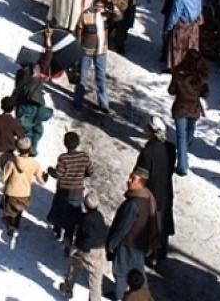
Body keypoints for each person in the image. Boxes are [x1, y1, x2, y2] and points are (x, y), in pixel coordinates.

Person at [106, 169, 157, 300]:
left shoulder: (134, 204)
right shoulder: (148, 198)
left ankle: (120, 296)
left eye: (133, 179)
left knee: (120, 271)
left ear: (141, 183)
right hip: (140, 243)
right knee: (138, 272)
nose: (128, 180)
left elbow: (123, 228)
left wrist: (111, 244)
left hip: (127, 243)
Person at [136, 114, 175, 265]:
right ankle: (161, 252)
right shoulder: (171, 148)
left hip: (151, 194)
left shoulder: (148, 152)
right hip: (166, 192)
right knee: (163, 223)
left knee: (152, 225)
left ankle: (151, 255)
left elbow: (141, 175)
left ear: (152, 132)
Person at [168, 48, 209, 176]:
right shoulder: (202, 76)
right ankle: (183, 154)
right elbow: (205, 93)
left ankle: (182, 166)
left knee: (181, 136)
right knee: (188, 134)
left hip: (180, 107)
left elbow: (171, 90)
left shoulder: (178, 73)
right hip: (194, 108)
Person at [0, 137, 46, 248]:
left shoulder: (11, 162)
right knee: (18, 212)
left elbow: (3, 178)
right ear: (30, 149)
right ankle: (15, 228)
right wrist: (45, 177)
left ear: (18, 149)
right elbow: (41, 181)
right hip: (25, 194)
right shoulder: (34, 163)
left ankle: (11, 229)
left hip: (11, 193)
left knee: (7, 215)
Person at [47, 131, 92, 244]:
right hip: (77, 192)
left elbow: (58, 174)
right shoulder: (84, 157)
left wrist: (50, 170)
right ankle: (68, 239)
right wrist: (82, 175)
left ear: (65, 143)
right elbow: (90, 172)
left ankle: (57, 231)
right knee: (72, 216)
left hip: (63, 191)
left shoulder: (63, 158)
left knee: (59, 211)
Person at [61, 192, 107, 301]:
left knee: (74, 266)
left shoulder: (86, 219)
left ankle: (68, 288)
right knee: (96, 279)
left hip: (87, 250)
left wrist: (76, 248)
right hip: (100, 249)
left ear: (85, 205)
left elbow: (88, 238)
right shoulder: (99, 216)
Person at [74, 0, 111, 114]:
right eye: (97, 5)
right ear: (93, 4)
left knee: (101, 77)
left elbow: (119, 16)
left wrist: (110, 3)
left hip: (101, 52)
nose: (99, 8)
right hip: (86, 52)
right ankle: (77, 102)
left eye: (101, 6)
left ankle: (103, 103)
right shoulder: (85, 15)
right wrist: (77, 50)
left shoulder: (106, 15)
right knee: (82, 77)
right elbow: (78, 33)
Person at [12, 58, 53, 156]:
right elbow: (42, 111)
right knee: (34, 133)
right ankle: (29, 151)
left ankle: (25, 150)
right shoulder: (34, 85)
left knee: (26, 133)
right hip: (30, 116)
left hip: (23, 114)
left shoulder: (24, 82)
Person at [165, 0, 203, 71]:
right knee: (189, 48)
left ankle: (175, 68)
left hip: (181, 25)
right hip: (193, 26)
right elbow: (199, 9)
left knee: (178, 48)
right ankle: (189, 68)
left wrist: (169, 26)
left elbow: (176, 12)